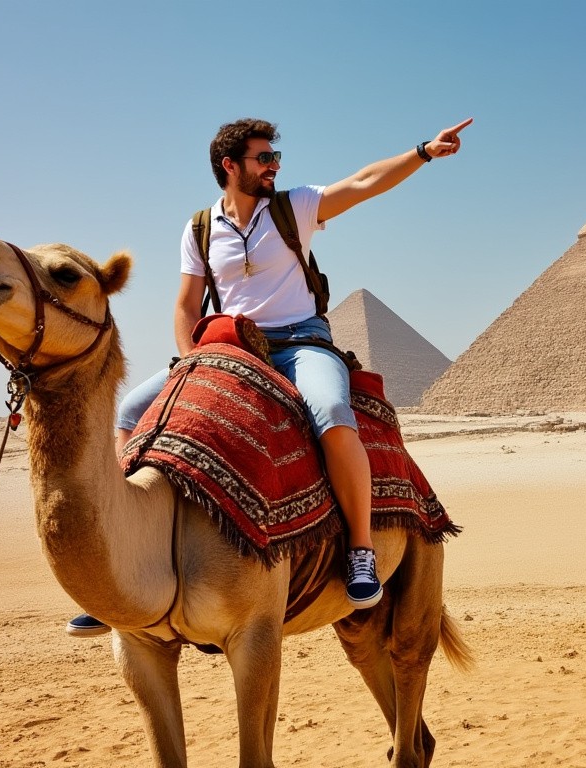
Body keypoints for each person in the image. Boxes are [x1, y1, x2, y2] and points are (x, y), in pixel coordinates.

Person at [66, 116, 473, 637]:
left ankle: (361, 550)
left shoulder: (293, 207)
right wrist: (192, 357)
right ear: (229, 166)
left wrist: (422, 152)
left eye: (276, 158)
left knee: (330, 411)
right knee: (128, 411)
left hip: (301, 342)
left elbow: (364, 182)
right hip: (230, 344)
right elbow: (187, 302)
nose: (274, 166)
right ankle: (126, 568)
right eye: (264, 158)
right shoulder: (199, 229)